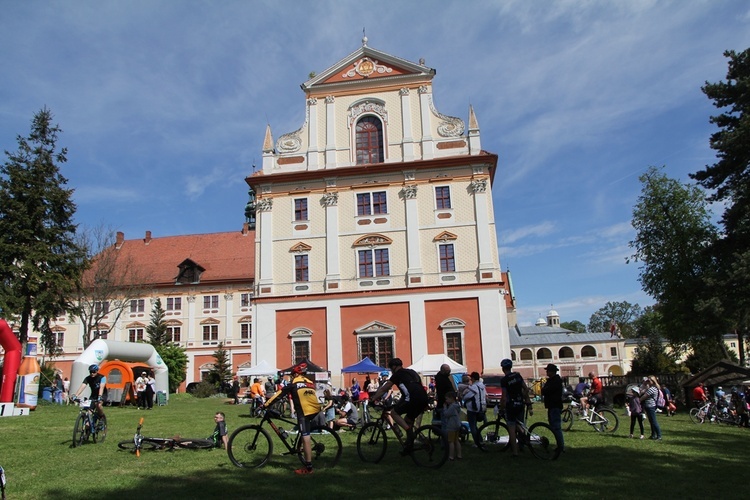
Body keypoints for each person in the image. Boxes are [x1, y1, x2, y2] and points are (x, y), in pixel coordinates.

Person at [263, 362, 322, 475]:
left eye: (292, 376)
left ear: (295, 375)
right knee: (303, 433)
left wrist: (265, 405)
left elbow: (278, 394)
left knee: (306, 437)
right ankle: (301, 449)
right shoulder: (310, 382)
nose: (291, 377)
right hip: (315, 410)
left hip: (304, 412)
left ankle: (309, 468)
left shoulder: (293, 384)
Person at [372, 358, 429, 455]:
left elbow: (384, 389)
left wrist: (373, 399)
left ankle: (409, 433)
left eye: (391, 368)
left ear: (394, 367)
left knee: (394, 413)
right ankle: (408, 447)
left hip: (412, 398)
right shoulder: (411, 372)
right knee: (408, 420)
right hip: (423, 397)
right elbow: (414, 387)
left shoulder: (397, 375)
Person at [499, 358, 532, 457]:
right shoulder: (518, 376)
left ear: (503, 369)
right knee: (520, 424)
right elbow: (526, 389)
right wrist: (523, 397)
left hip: (511, 406)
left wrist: (501, 408)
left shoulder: (504, 380)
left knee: (512, 429)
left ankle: (515, 452)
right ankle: (522, 444)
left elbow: (504, 397)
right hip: (520, 404)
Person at [541, 363, 564, 452]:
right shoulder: (553, 380)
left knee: (556, 426)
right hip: (552, 405)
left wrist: (544, 389)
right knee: (553, 425)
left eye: (547, 370)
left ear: (551, 371)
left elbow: (546, 390)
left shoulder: (555, 381)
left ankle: (560, 446)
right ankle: (559, 445)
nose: (546, 372)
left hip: (555, 405)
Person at [462, 371, 487, 450]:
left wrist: (463, 395)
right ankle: (480, 440)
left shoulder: (474, 387)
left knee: (473, 426)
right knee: (475, 427)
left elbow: (466, 397)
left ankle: (477, 442)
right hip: (481, 407)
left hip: (473, 408)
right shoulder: (482, 386)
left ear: (473, 378)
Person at [640, 375, 662, 440]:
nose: (647, 382)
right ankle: (653, 435)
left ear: (652, 381)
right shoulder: (652, 388)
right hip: (649, 406)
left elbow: (644, 396)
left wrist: (638, 401)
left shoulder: (652, 389)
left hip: (651, 406)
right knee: (651, 421)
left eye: (649, 381)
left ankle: (659, 435)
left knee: (654, 421)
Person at [442, 391, 462, 461]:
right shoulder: (457, 405)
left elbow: (446, 414)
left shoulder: (452, 407)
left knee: (451, 442)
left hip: (451, 426)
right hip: (457, 425)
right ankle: (459, 455)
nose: (446, 401)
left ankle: (451, 456)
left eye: (447, 399)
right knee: (457, 441)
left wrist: (444, 408)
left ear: (451, 398)